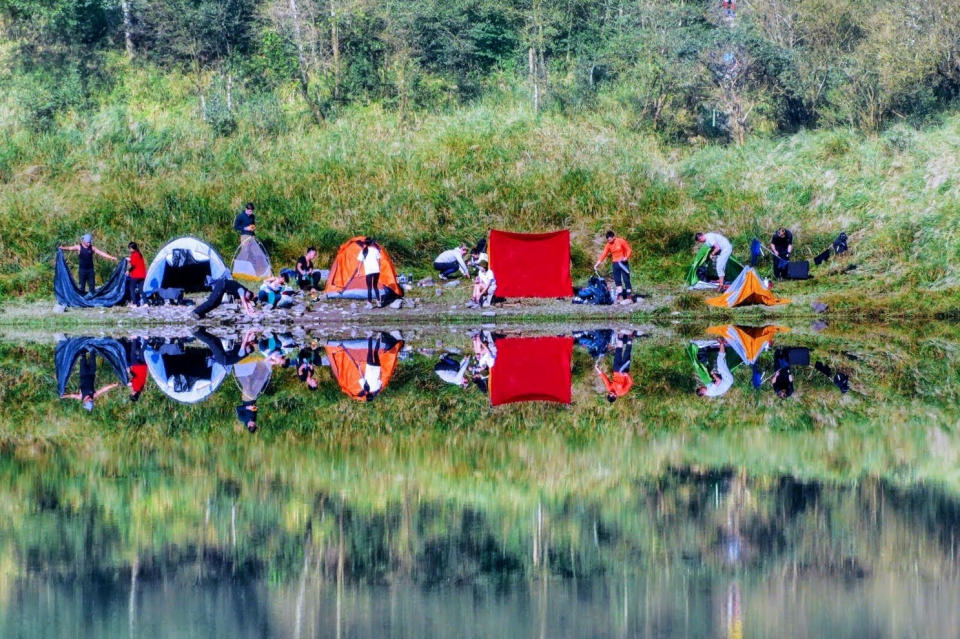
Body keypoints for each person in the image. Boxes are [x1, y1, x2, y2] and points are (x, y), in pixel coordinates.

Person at [594, 230, 634, 304]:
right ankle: (620, 296)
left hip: (623, 263)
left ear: (614, 237)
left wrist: (626, 257)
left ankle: (629, 296)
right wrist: (597, 264)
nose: (609, 241)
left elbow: (629, 250)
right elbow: (604, 254)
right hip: (615, 264)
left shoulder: (621, 241)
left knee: (626, 280)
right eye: (608, 240)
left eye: (610, 239)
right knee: (617, 281)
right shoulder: (608, 244)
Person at [595, 332, 634, 402]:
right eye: (612, 394)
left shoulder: (609, 388)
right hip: (624, 371)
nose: (611, 392)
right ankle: (630, 336)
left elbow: (605, 379)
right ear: (615, 396)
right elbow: (630, 383)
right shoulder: (622, 392)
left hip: (616, 369)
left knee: (618, 351)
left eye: (609, 393)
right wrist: (627, 375)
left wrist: (598, 369)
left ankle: (620, 335)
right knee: (627, 352)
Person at [357, 237, 381, 308]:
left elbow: (360, 262)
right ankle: (379, 302)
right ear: (371, 243)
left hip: (369, 271)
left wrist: (358, 271)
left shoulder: (363, 251)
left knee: (369, 288)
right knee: (375, 286)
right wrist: (378, 268)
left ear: (365, 243)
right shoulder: (376, 250)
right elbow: (379, 261)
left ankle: (369, 303)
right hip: (376, 271)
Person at [359, 334, 384, 401]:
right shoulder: (365, 388)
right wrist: (359, 367)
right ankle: (370, 335)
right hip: (370, 366)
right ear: (366, 395)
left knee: (376, 352)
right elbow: (361, 376)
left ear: (372, 395)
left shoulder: (377, 388)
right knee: (370, 350)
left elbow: (380, 378)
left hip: (377, 368)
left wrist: (380, 370)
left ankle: (379, 337)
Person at [124, 337, 148, 401]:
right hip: (137, 368)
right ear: (134, 394)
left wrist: (131, 383)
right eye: (131, 394)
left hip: (143, 368)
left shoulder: (141, 388)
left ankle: (146, 340)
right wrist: (129, 371)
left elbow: (139, 379)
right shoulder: (136, 387)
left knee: (141, 353)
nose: (131, 393)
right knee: (132, 354)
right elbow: (135, 376)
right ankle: (134, 339)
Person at [126, 242, 147, 306]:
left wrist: (128, 271)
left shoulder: (133, 255)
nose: (129, 250)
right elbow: (136, 262)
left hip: (136, 275)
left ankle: (134, 303)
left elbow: (133, 265)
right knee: (141, 289)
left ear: (132, 248)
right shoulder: (139, 254)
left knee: (132, 288)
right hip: (142, 274)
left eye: (130, 248)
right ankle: (146, 303)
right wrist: (130, 260)